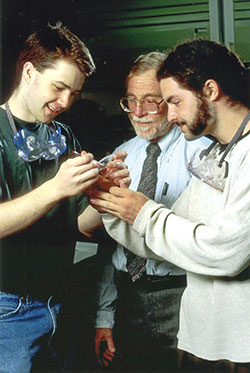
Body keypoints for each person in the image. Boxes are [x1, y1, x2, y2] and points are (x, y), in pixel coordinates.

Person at [89, 39, 250, 372]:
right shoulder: (214, 155)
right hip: (205, 341)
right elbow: (165, 240)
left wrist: (142, 211)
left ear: (211, 89)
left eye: (174, 101)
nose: (170, 113)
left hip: (240, 347)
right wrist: (111, 204)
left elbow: (228, 252)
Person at [0, 22, 129, 372]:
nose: (65, 102)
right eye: (58, 88)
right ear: (28, 72)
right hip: (8, 311)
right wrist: (56, 188)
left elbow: (80, 226)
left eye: (74, 93)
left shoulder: (61, 134)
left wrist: (101, 195)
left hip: (60, 301)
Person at [94, 52, 210, 371]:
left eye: (150, 101)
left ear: (171, 101)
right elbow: (111, 244)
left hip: (182, 295)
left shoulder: (203, 154)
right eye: (130, 101)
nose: (138, 112)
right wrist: (104, 316)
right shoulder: (120, 158)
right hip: (128, 296)